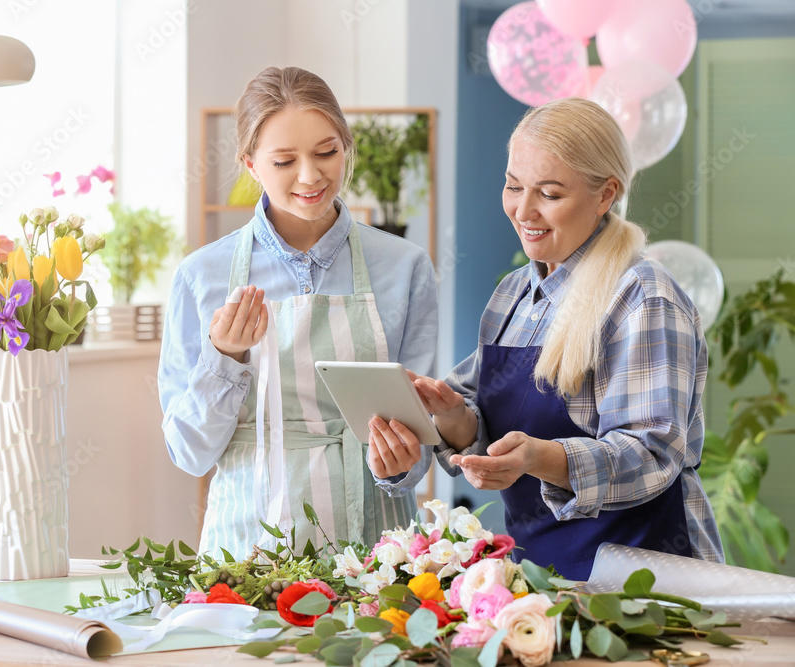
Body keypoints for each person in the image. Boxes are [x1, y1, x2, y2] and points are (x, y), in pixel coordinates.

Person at [369, 98, 724, 580]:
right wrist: (452, 418)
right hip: (543, 577)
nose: (523, 209)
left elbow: (652, 455)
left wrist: (541, 457)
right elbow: (480, 418)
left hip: (650, 579)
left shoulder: (643, 296)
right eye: (513, 186)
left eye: (550, 194)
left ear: (606, 195)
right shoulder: (514, 295)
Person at [158, 66, 438, 559]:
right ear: (250, 164)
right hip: (248, 548)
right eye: (285, 160)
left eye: (327, 152)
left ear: (345, 147)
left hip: (380, 551)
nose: (310, 176)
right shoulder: (201, 276)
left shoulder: (405, 266)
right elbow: (190, 453)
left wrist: (401, 462)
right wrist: (224, 357)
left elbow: (421, 438)